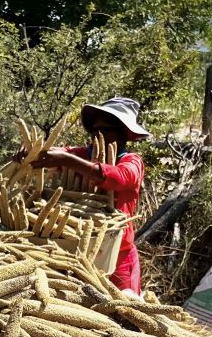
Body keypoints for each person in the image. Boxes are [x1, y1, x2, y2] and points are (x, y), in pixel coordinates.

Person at [19, 97, 150, 295]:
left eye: (106, 129)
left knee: (125, 308)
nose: (99, 135)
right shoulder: (81, 155)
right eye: (95, 130)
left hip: (118, 252)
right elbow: (55, 154)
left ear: (124, 134)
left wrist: (68, 160)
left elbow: (119, 178)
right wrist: (31, 153)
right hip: (77, 249)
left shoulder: (132, 161)